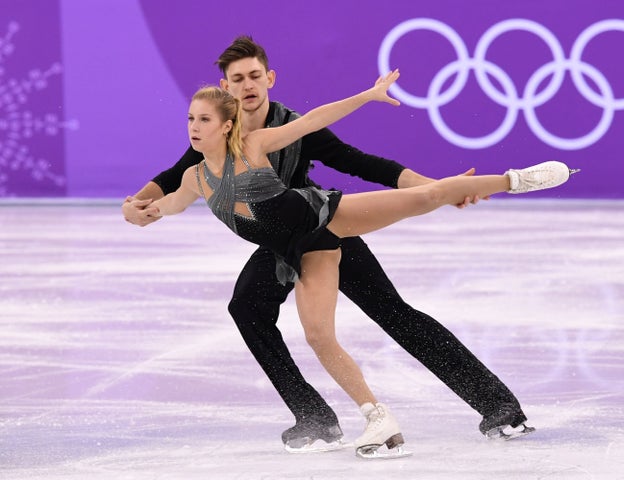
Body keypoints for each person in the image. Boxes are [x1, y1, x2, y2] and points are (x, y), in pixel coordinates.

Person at [122, 36, 536, 453]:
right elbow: (176, 175)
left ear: (269, 79)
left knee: (391, 311)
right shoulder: (210, 134)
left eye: (253, 76)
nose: (247, 85)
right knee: (247, 307)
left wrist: (442, 188)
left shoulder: (287, 127)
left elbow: (365, 165)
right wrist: (136, 204)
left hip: (322, 225)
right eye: (237, 79)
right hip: (278, 243)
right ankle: (313, 416)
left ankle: (498, 405)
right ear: (225, 87)